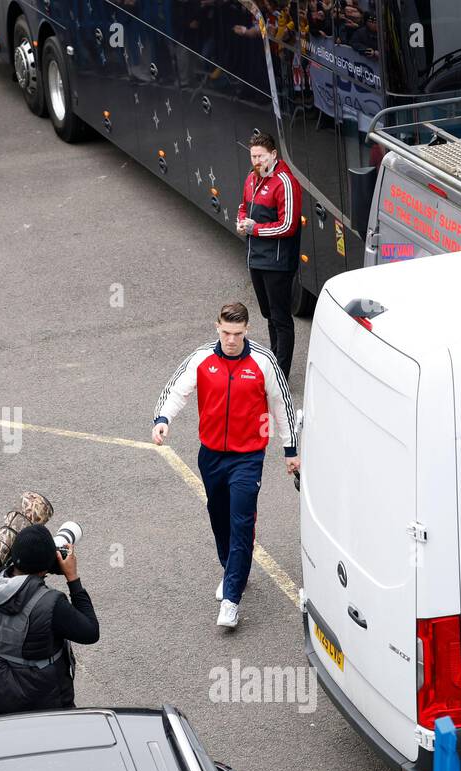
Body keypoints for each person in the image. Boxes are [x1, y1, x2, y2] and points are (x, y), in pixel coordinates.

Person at [152, 302, 298, 628]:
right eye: (226, 332)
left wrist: (291, 450)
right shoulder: (202, 358)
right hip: (211, 455)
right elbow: (178, 390)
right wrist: (163, 419)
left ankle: (231, 598)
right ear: (217, 327)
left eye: (238, 333)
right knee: (219, 519)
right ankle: (232, 569)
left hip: (248, 458)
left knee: (242, 523)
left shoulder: (263, 362)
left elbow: (281, 405)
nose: (231, 339)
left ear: (247, 330)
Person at [0, 524, 99, 715]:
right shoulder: (51, 604)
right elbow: (90, 632)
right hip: (45, 700)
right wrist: (73, 578)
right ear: (47, 566)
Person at [236, 131, 303, 380]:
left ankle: (280, 374)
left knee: (280, 317)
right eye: (253, 156)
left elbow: (288, 226)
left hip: (277, 262)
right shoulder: (250, 179)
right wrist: (242, 221)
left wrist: (255, 229)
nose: (256, 161)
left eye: (261, 156)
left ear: (273, 155)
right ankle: (274, 360)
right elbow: (243, 206)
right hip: (256, 258)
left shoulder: (285, 182)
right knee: (268, 315)